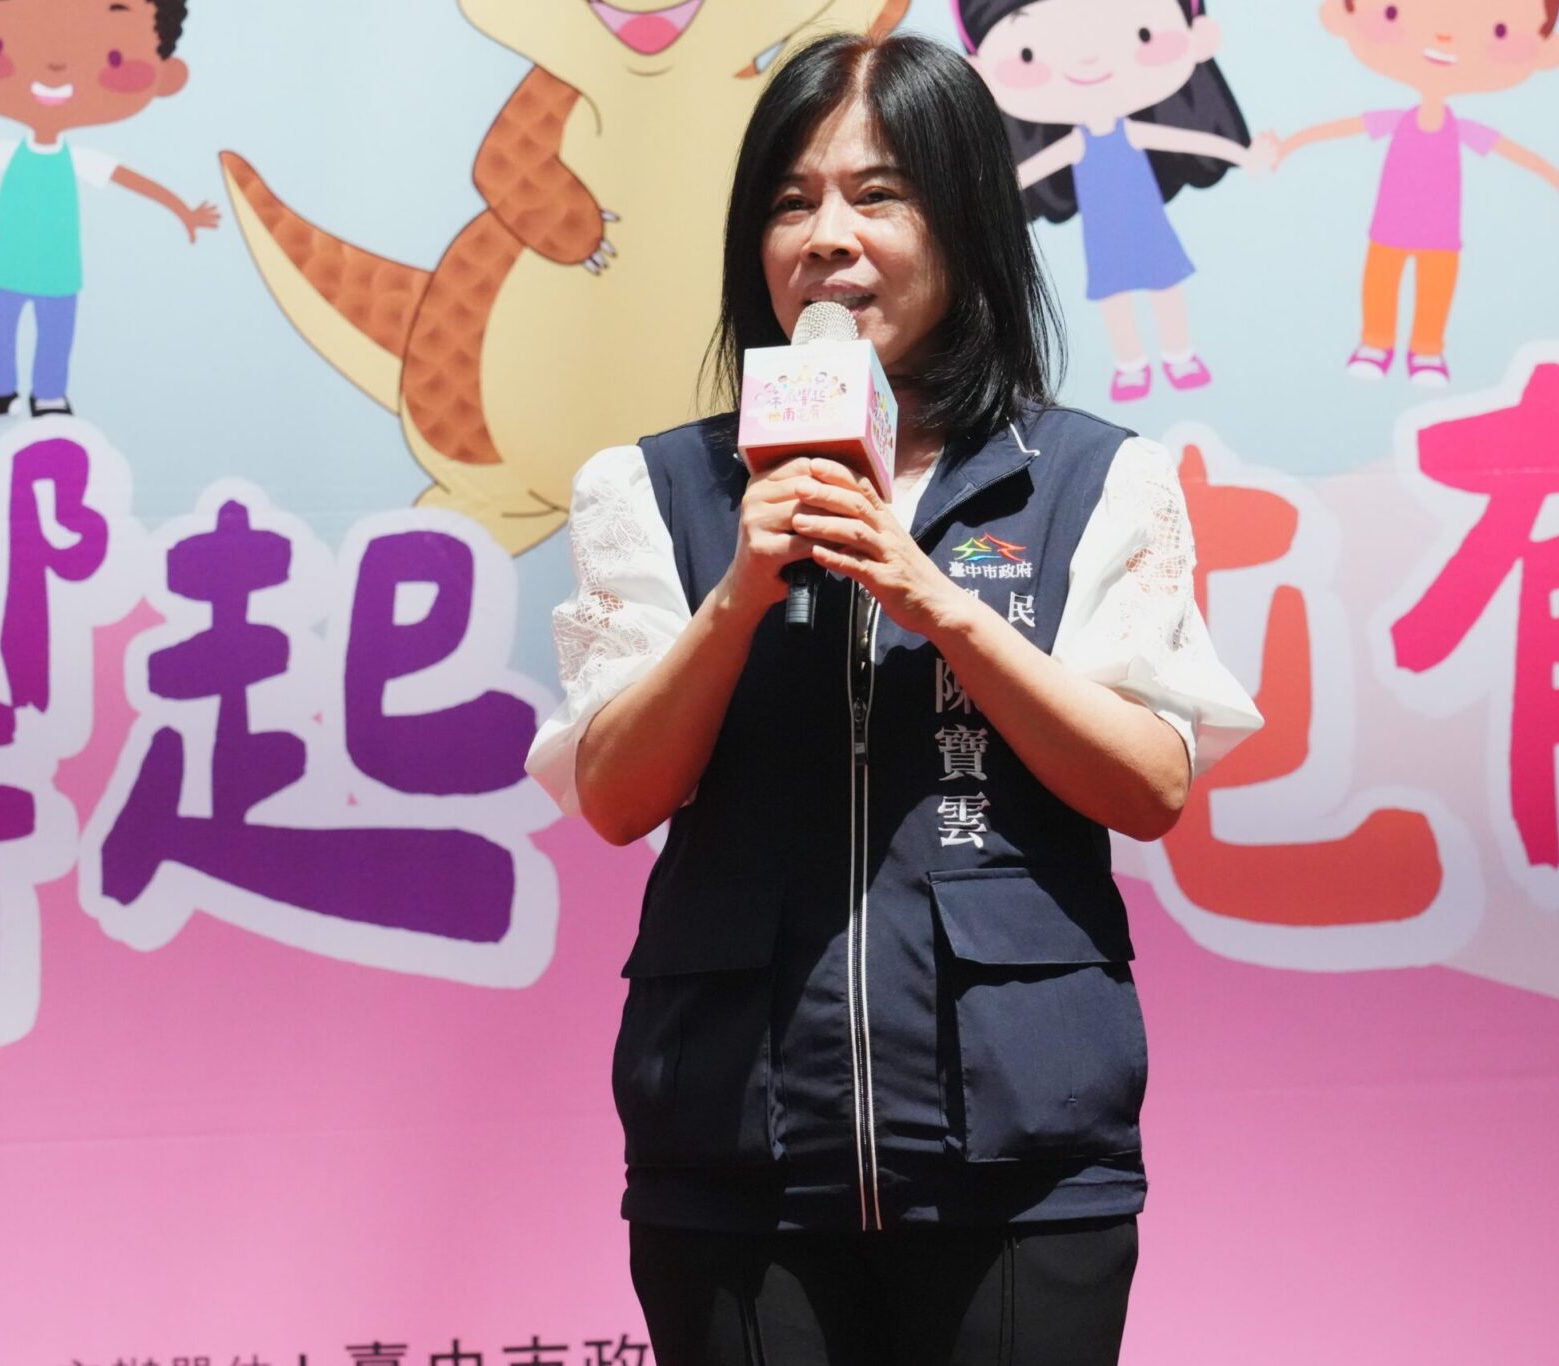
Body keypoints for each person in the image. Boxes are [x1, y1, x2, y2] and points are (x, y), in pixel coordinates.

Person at [526, 31, 1262, 1366]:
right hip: (734, 1154)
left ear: (967, 220)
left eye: (878, 195)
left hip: (1020, 1155)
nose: (828, 238)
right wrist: (736, 594)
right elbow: (618, 798)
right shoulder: (655, 489)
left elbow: (1150, 784)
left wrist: (941, 604)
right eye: (790, 201)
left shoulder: (1094, 480)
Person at [0, 0, 217, 420]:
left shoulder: (77, 159)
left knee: (55, 333)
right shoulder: (7, 153)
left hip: (58, 269)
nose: (55, 68)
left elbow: (129, 179)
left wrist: (183, 211)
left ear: (166, 77)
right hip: (6, 265)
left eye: (114, 59)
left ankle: (49, 395)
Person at [954, 0, 1273, 402]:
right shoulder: (1079, 142)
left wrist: (1243, 154)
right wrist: (977, 197)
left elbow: (1182, 140)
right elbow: (1028, 174)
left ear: (1199, 36)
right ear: (980, 72)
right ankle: (1131, 363)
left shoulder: (1130, 132)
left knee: (1165, 284)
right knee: (1114, 297)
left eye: (1144, 34)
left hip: (1148, 225)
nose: (1087, 58)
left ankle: (1178, 354)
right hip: (1105, 234)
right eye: (1028, 54)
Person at [1267, 0, 1559, 386]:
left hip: (1440, 233)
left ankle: (1427, 349)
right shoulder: (1398, 120)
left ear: (1546, 51)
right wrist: (1289, 145)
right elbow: (1340, 128)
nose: (1444, 36)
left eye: (1500, 31)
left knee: (1435, 291)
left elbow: (1513, 152)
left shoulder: (1460, 129)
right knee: (1380, 283)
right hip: (1389, 227)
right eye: (1392, 13)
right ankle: (1376, 342)